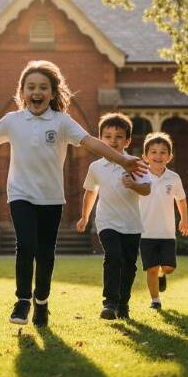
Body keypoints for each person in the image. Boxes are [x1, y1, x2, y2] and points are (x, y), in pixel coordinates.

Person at [0, 60, 147, 327]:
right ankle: (22, 300)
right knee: (26, 246)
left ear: (53, 93)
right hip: (20, 195)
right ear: (22, 93)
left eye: (43, 87)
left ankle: (41, 302)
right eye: (31, 86)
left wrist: (122, 160)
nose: (37, 91)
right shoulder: (12, 121)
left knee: (45, 253)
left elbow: (90, 142)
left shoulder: (62, 122)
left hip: (52, 199)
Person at [77, 113, 150, 320]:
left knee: (129, 265)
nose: (113, 141)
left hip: (132, 223)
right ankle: (109, 303)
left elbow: (146, 190)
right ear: (101, 140)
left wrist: (134, 185)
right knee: (113, 257)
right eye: (108, 137)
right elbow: (90, 192)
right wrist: (84, 217)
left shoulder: (136, 164)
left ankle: (123, 303)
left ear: (127, 141)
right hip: (106, 221)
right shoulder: (96, 167)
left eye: (119, 137)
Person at [137, 132, 188, 310]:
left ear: (169, 156)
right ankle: (155, 301)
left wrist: (184, 220)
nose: (158, 156)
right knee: (151, 268)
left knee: (168, 267)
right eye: (153, 152)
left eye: (162, 152)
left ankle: (162, 275)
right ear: (145, 156)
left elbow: (181, 199)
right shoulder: (140, 176)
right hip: (145, 232)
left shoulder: (173, 178)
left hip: (167, 232)